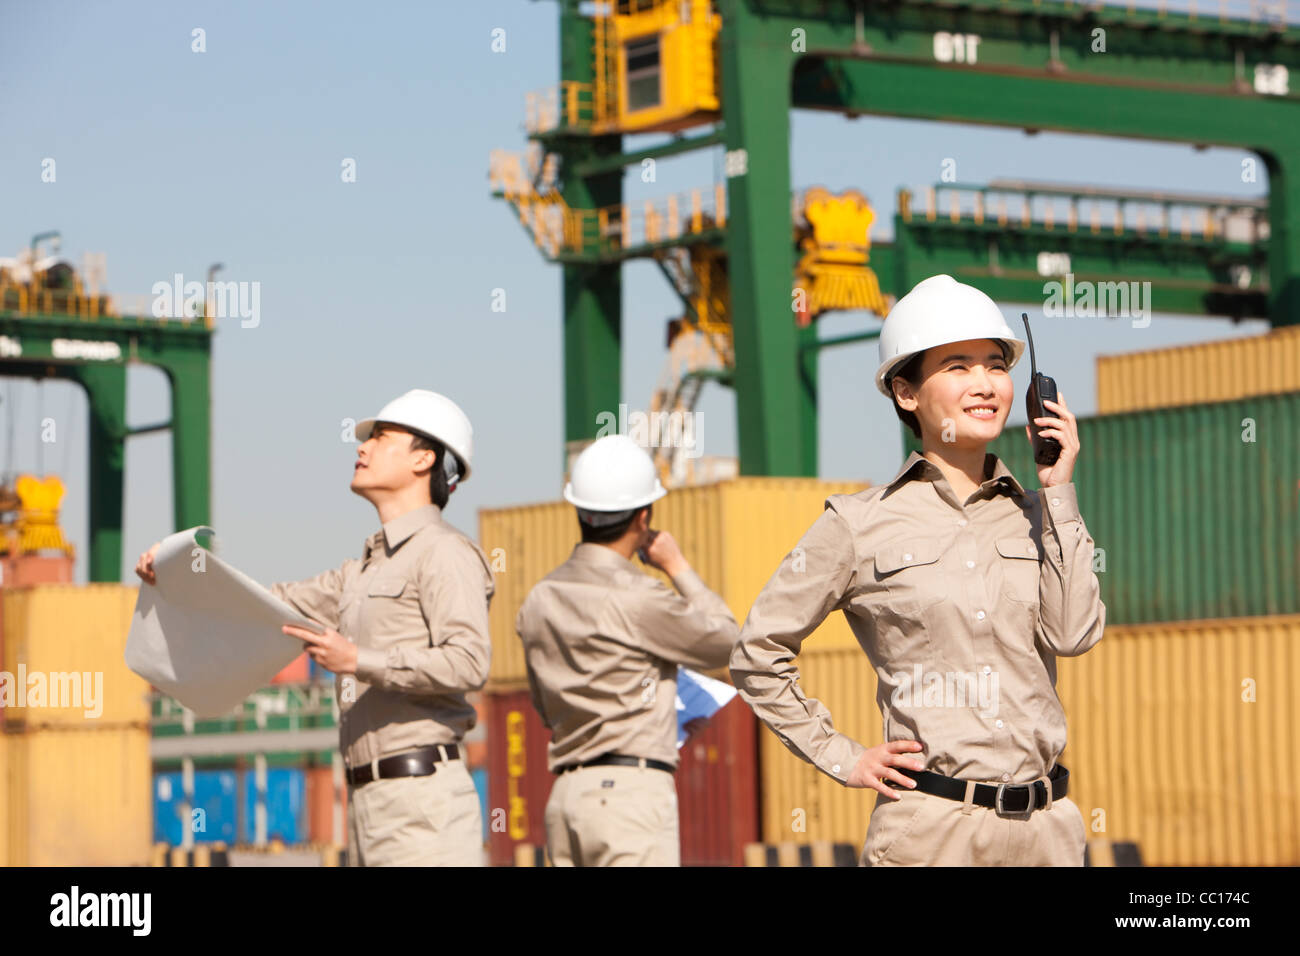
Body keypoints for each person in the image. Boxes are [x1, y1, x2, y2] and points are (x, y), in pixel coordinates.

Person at [730, 274, 1105, 866]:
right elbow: (756, 653)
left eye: (995, 365)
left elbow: (1074, 635)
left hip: (1049, 835)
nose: (984, 384)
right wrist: (842, 756)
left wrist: (1059, 492)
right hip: (932, 836)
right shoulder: (857, 524)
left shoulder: (1041, 515)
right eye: (958, 367)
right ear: (906, 392)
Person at [136, 389, 494, 866]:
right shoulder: (361, 570)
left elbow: (469, 662)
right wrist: (180, 577)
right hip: (370, 805)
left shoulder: (445, 553)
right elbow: (268, 603)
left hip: (423, 804)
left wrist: (357, 661)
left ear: (424, 458)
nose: (361, 447)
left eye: (381, 437)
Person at [515, 434, 740, 866]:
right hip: (629, 796)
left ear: (579, 510)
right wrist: (677, 566)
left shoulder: (539, 599)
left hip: (566, 798)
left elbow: (547, 711)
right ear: (644, 517)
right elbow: (727, 641)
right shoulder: (639, 596)